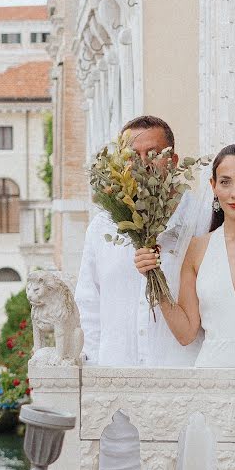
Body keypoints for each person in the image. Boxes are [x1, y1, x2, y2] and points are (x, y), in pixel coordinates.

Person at [75, 115, 206, 367]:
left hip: (181, 373)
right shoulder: (102, 227)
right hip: (116, 373)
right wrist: (94, 367)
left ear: (173, 161)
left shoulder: (198, 219)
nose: (143, 163)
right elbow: (89, 303)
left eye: (153, 153)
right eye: (133, 156)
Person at [134, 144, 235, 367]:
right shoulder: (197, 249)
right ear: (213, 186)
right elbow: (186, 333)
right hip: (212, 376)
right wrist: (155, 276)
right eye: (225, 182)